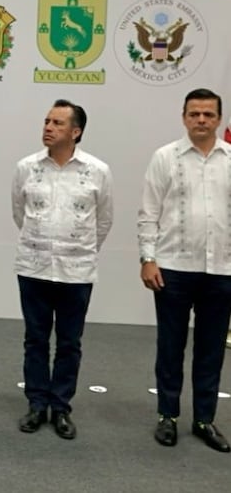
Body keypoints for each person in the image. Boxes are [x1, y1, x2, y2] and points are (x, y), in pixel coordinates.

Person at [12, 100, 113, 439]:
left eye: (57, 122)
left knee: (70, 342)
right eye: (46, 121)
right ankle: (37, 404)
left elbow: (104, 220)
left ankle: (61, 407)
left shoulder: (98, 170)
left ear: (76, 131)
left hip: (77, 271)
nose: (48, 127)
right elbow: (19, 212)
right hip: (34, 266)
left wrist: (77, 250)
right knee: (35, 339)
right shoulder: (26, 167)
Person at [139, 88, 231, 453]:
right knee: (171, 347)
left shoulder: (230, 160)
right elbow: (148, 212)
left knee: (211, 351)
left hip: (222, 270)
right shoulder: (165, 157)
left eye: (209, 114)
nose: (202, 120)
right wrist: (148, 258)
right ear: (183, 117)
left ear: (219, 119)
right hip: (173, 269)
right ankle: (168, 416)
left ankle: (205, 419)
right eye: (195, 114)